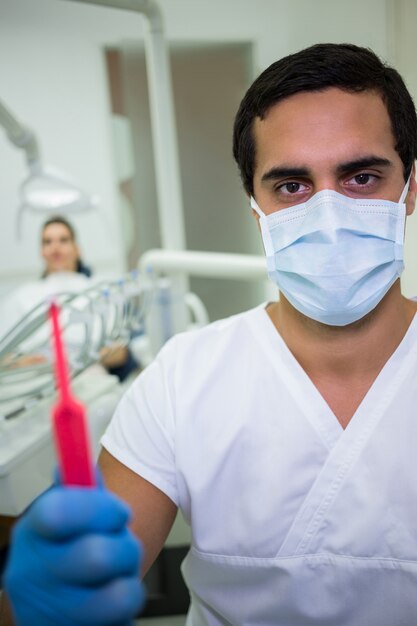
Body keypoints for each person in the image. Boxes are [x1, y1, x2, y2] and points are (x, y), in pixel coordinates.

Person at [2, 41, 417, 625]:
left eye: (361, 177)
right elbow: (75, 579)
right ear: (257, 209)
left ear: (411, 189)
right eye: (292, 187)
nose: (327, 216)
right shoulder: (184, 378)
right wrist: (36, 603)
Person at [0, 216, 139, 380]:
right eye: (48, 242)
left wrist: (83, 357)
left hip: (88, 378)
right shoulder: (23, 296)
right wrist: (22, 363)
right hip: (37, 380)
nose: (55, 247)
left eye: (63, 240)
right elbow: (3, 358)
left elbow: (122, 355)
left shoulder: (100, 291)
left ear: (77, 248)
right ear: (42, 251)